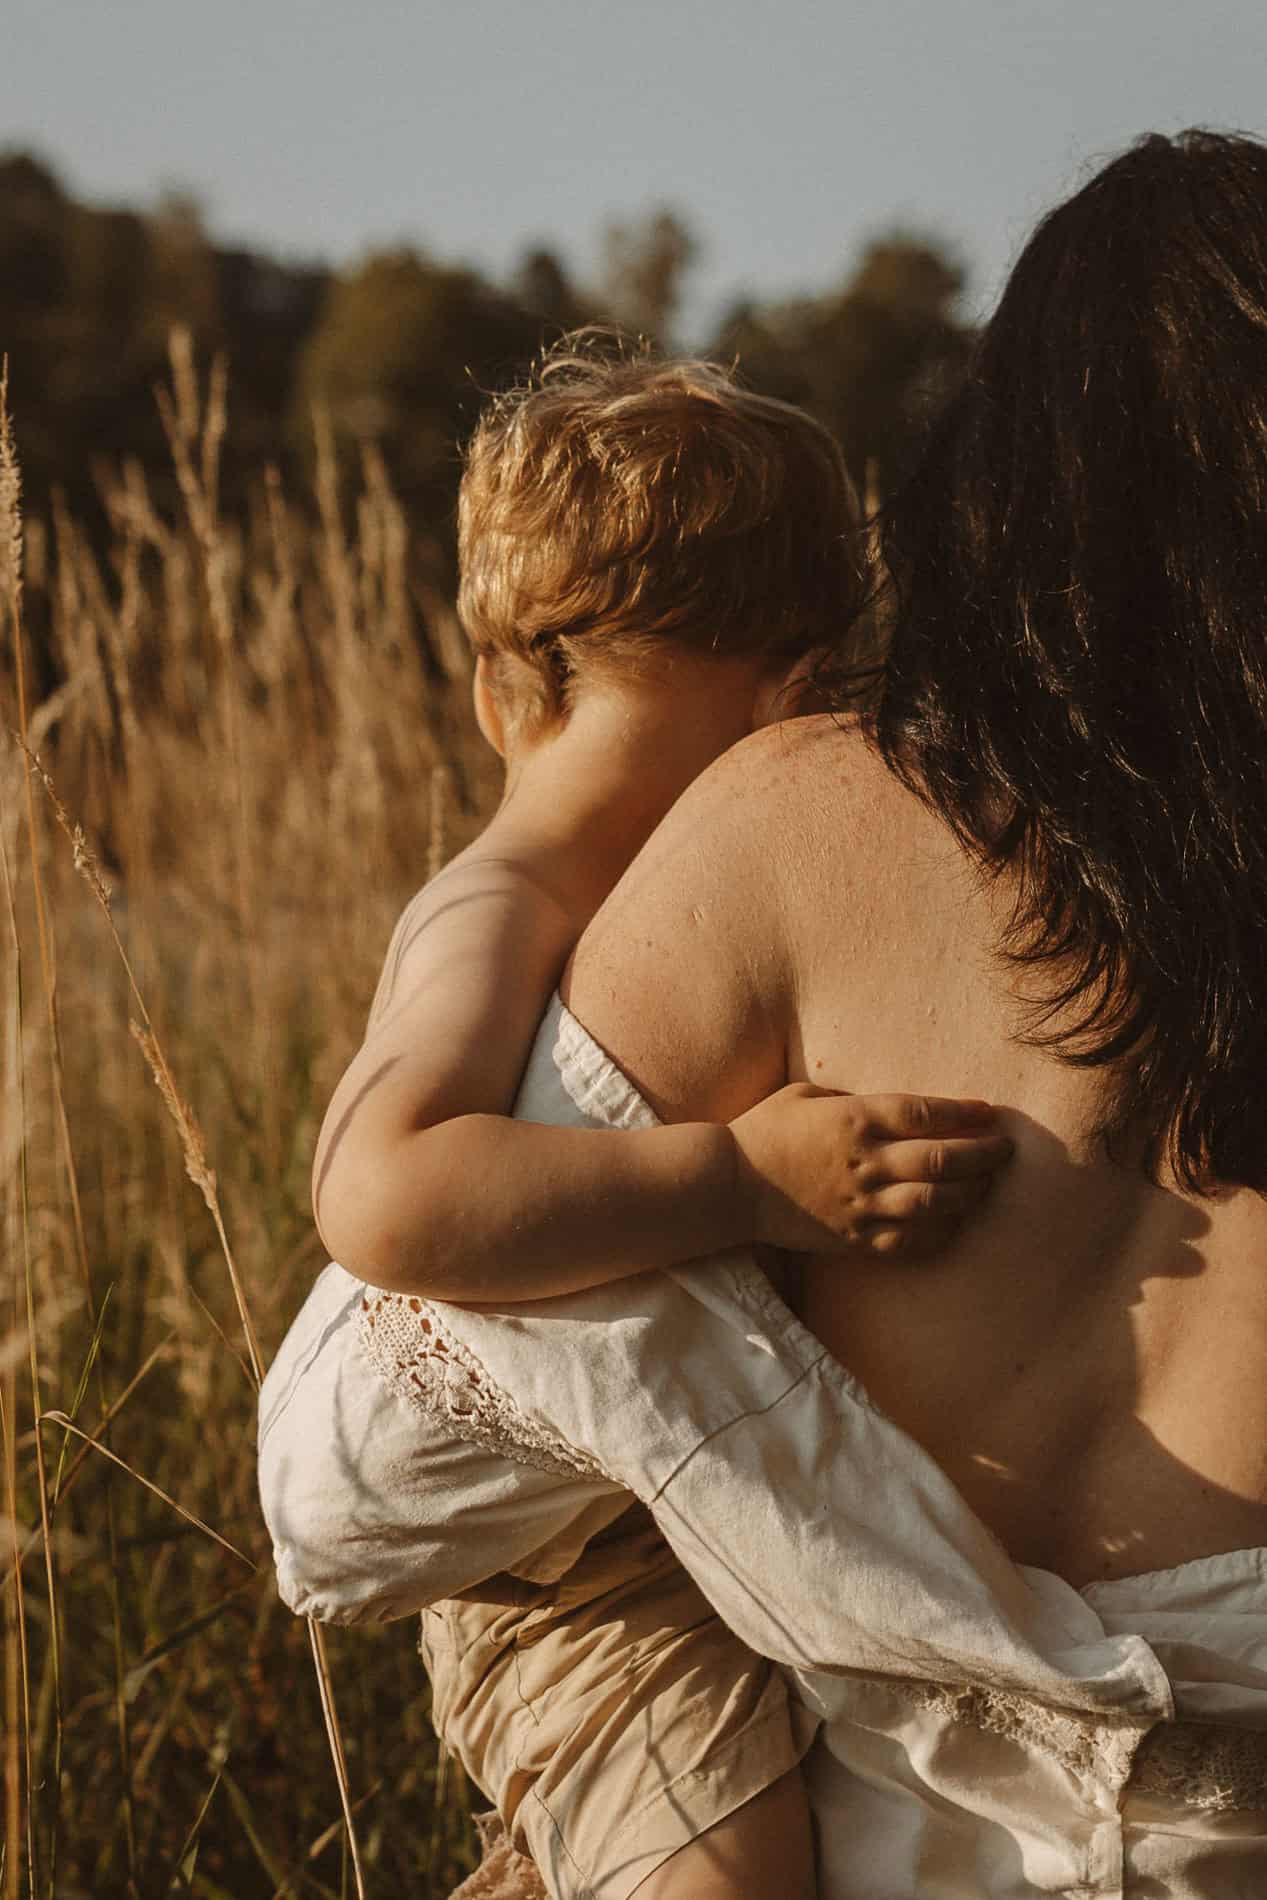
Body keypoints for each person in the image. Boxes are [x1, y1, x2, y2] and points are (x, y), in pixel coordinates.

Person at [263, 129, 1267, 1897]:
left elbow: (350, 1483)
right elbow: (389, 1210)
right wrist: (724, 1191)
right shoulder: (541, 891)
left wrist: (711, 1350)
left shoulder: (800, 830)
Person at [262, 338, 1012, 1898]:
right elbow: (386, 1199)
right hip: (583, 1597)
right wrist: (739, 1178)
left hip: (684, 1521)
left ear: (496, 686)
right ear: (803, 699)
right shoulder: (496, 904)